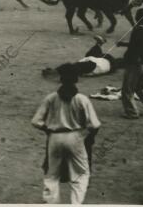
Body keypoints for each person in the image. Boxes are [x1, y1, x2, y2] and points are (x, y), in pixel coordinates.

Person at [32, 63, 101, 204]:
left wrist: (48, 129)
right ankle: (76, 203)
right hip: (75, 137)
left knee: (52, 175)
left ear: (61, 80)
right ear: (76, 80)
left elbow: (36, 121)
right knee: (81, 175)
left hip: (54, 137)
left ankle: (51, 203)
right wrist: (86, 136)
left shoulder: (51, 98)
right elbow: (95, 124)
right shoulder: (82, 99)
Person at [116, 8, 143, 119]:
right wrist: (123, 44)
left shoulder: (138, 30)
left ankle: (132, 112)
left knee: (128, 89)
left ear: (138, 18)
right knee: (139, 88)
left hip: (135, 63)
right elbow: (139, 45)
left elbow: (135, 47)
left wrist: (135, 59)